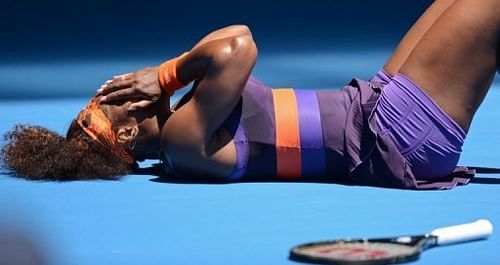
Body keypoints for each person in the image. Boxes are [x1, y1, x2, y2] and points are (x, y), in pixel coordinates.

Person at [2, 0, 498, 189]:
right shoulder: (181, 143)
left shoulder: (190, 118)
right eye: (111, 98)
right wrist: (165, 76)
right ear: (128, 129)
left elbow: (233, 28)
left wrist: (168, 76)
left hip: (374, 105)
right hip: (391, 136)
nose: (124, 86)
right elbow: (240, 47)